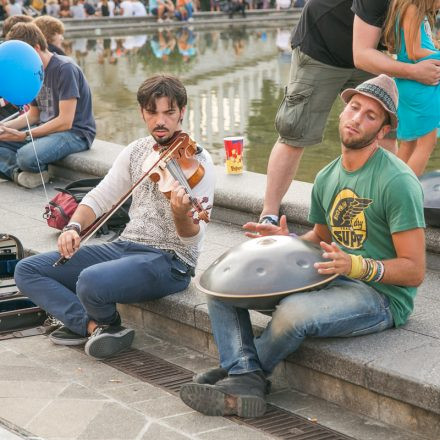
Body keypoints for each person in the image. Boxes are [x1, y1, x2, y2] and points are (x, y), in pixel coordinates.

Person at [179, 75, 426, 418]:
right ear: (342, 112)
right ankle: (245, 373)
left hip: (380, 297)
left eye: (371, 116)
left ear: (383, 131)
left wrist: (355, 266)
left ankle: (242, 376)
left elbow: (414, 271)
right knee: (222, 285)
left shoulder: (398, 182)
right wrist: (286, 243)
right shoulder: (327, 176)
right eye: (354, 108)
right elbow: (321, 238)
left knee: (293, 312)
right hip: (331, 273)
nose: (357, 118)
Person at [14, 74, 216, 360]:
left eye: (169, 112)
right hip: (126, 246)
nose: (161, 121)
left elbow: (192, 237)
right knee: (27, 270)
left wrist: (181, 214)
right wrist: (73, 227)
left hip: (170, 261)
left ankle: (101, 325)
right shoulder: (135, 151)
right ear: (142, 112)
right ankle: (94, 326)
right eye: (152, 112)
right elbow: (101, 195)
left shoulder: (199, 163)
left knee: (90, 281)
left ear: (182, 112)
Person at [259, 0, 440, 228]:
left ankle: (382, 209)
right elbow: (361, 55)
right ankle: (269, 214)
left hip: (370, 50)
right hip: (322, 47)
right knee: (296, 131)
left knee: (385, 131)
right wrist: (413, 72)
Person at [0, 23, 95, 189]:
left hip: (75, 133)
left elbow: (65, 121)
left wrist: (26, 136)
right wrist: (3, 127)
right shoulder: (30, 72)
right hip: (45, 130)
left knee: (26, 156)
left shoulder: (65, 68)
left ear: (36, 48)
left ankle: (21, 170)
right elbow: (34, 115)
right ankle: (18, 173)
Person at [382, 0, 440, 176]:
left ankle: (391, 191)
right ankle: (407, 194)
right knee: (426, 144)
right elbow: (414, 52)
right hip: (420, 85)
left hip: (412, 84)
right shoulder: (413, 10)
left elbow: (417, 47)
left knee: (410, 143)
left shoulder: (411, 10)